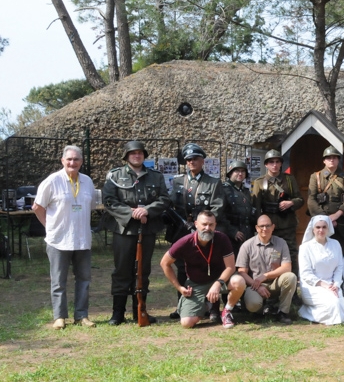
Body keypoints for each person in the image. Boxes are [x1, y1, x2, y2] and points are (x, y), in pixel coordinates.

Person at [102, 140, 169, 325]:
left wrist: (148, 210)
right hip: (124, 229)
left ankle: (140, 310)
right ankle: (118, 313)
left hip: (147, 229)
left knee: (143, 271)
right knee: (122, 271)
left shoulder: (156, 176)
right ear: (126, 156)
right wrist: (132, 213)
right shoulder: (115, 175)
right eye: (133, 153)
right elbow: (109, 201)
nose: (137, 156)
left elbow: (164, 199)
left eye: (140, 153)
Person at [32, 145, 98, 329]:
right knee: (58, 280)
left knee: (84, 279)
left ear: (81, 162)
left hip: (82, 239)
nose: (72, 162)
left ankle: (82, 315)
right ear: (62, 161)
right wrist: (49, 227)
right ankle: (59, 317)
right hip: (58, 240)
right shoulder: (52, 181)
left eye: (76, 159)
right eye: (69, 159)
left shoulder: (87, 182)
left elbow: (90, 205)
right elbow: (37, 207)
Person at [166, 142, 226, 320]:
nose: (192, 162)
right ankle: (182, 306)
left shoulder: (213, 183)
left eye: (195, 159)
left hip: (205, 232)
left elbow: (218, 207)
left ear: (202, 161)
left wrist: (202, 224)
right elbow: (172, 206)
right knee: (182, 269)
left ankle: (213, 308)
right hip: (182, 232)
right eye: (189, 159)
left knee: (209, 266)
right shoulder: (178, 181)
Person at [159, 210, 245, 329]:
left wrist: (218, 283)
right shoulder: (185, 242)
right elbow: (164, 263)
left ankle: (227, 312)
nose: (207, 228)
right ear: (196, 224)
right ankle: (205, 305)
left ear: (215, 225)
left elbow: (230, 267)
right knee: (187, 323)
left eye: (211, 225)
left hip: (221, 280)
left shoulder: (222, 239)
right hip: (196, 283)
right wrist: (179, 287)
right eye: (204, 224)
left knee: (239, 282)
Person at [236, 214, 296, 324]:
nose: (265, 229)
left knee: (291, 277)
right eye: (262, 226)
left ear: (273, 227)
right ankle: (263, 310)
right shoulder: (247, 245)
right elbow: (241, 272)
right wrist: (257, 285)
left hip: (275, 283)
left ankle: (282, 312)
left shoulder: (281, 243)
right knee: (253, 305)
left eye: (268, 226)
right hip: (254, 285)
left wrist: (266, 276)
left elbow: (287, 267)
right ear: (256, 228)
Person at [251, 149, 304, 275]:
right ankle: (271, 282)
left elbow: (300, 200)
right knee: (270, 254)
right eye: (271, 162)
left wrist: (291, 203)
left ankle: (292, 282)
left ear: (281, 164)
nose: (274, 165)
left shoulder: (289, 180)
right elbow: (256, 206)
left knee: (290, 253)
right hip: (268, 226)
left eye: (277, 162)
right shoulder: (260, 182)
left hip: (287, 223)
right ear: (266, 164)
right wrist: (260, 227)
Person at [298, 215, 344, 325]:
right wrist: (325, 285)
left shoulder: (336, 244)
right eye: (318, 227)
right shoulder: (305, 247)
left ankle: (310, 312)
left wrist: (335, 284)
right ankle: (306, 311)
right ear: (313, 229)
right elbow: (305, 274)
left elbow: (339, 267)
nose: (321, 230)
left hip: (332, 285)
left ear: (328, 228)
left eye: (324, 227)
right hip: (312, 286)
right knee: (334, 303)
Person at [307, 146, 344, 254]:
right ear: (324, 160)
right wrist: (326, 220)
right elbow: (311, 200)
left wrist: (337, 215)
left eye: (334, 157)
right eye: (328, 157)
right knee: (321, 251)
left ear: (338, 160)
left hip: (343, 221)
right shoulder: (315, 177)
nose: (331, 160)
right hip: (322, 221)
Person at [220, 160, 255, 257]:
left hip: (247, 233)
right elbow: (220, 214)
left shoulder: (246, 191)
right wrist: (232, 231)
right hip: (232, 235)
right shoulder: (224, 189)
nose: (240, 174)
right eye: (237, 171)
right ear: (230, 173)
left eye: (243, 171)